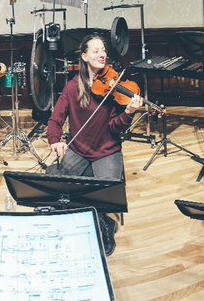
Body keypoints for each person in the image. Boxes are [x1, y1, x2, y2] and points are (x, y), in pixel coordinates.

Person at [45, 34, 144, 255]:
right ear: (84, 56)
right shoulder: (73, 87)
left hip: (106, 151)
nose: (102, 54)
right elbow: (55, 120)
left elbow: (115, 128)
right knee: (54, 188)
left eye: (104, 50)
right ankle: (99, 219)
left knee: (105, 194)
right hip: (78, 150)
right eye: (96, 50)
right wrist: (55, 141)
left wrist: (128, 113)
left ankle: (105, 227)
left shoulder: (114, 87)